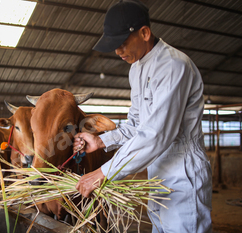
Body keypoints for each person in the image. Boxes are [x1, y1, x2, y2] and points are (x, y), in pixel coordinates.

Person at [73, 0, 212, 232]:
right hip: (157, 172)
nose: (118, 51)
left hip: (182, 173)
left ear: (144, 33)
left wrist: (104, 172)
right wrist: (101, 140)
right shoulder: (136, 69)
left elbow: (157, 134)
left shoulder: (173, 65)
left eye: (122, 43)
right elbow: (137, 125)